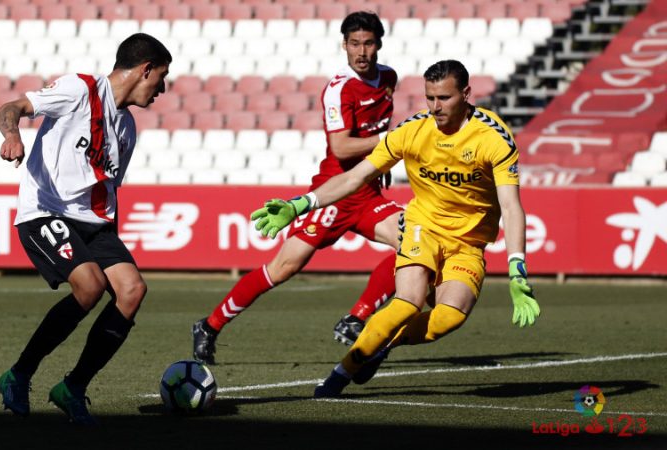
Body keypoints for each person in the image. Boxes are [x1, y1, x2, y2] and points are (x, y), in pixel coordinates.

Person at [251, 60, 541, 397]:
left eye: (444, 98)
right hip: (423, 227)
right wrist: (300, 204)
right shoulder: (413, 130)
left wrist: (517, 267)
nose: (435, 107)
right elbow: (356, 176)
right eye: (429, 97)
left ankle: (384, 344)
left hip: (468, 242)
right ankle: (340, 374)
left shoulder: (494, 138)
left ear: (465, 94)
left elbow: (511, 206)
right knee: (407, 302)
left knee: (449, 317)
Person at [192, 11, 405, 365]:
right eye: (354, 44)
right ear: (344, 45)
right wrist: (389, 143)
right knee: (283, 268)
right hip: (334, 193)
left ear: (379, 44)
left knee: (418, 241)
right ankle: (210, 325)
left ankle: (356, 318)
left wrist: (380, 162)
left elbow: (373, 136)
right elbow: (341, 147)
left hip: (367, 195)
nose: (361, 51)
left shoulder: (388, 78)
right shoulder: (338, 90)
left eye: (368, 43)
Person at [0, 33, 171, 425]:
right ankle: (19, 373)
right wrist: (11, 135)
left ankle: (73, 387)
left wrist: (114, 244)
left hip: (95, 223)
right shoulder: (79, 89)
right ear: (145, 70)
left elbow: (109, 187)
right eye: (161, 76)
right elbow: (14, 106)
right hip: (46, 210)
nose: (162, 88)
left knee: (132, 291)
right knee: (89, 286)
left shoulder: (126, 127)